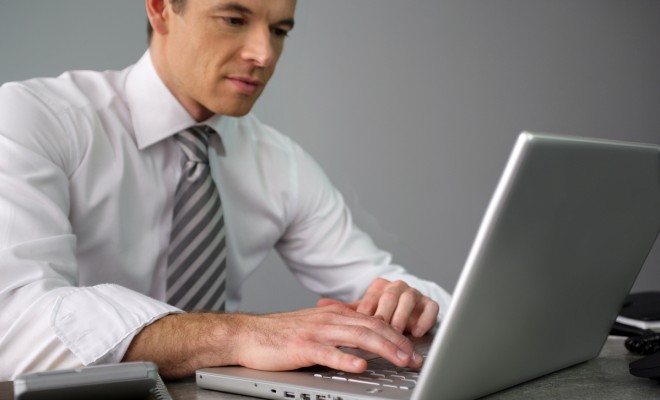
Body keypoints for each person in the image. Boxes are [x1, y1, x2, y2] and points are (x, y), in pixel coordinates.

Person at [0, 0, 451, 380]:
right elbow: (15, 322)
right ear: (160, 9)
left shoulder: (281, 163)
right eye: (234, 20)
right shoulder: (35, 119)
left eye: (279, 31)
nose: (264, 54)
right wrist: (241, 334)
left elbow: (378, 280)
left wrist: (409, 304)